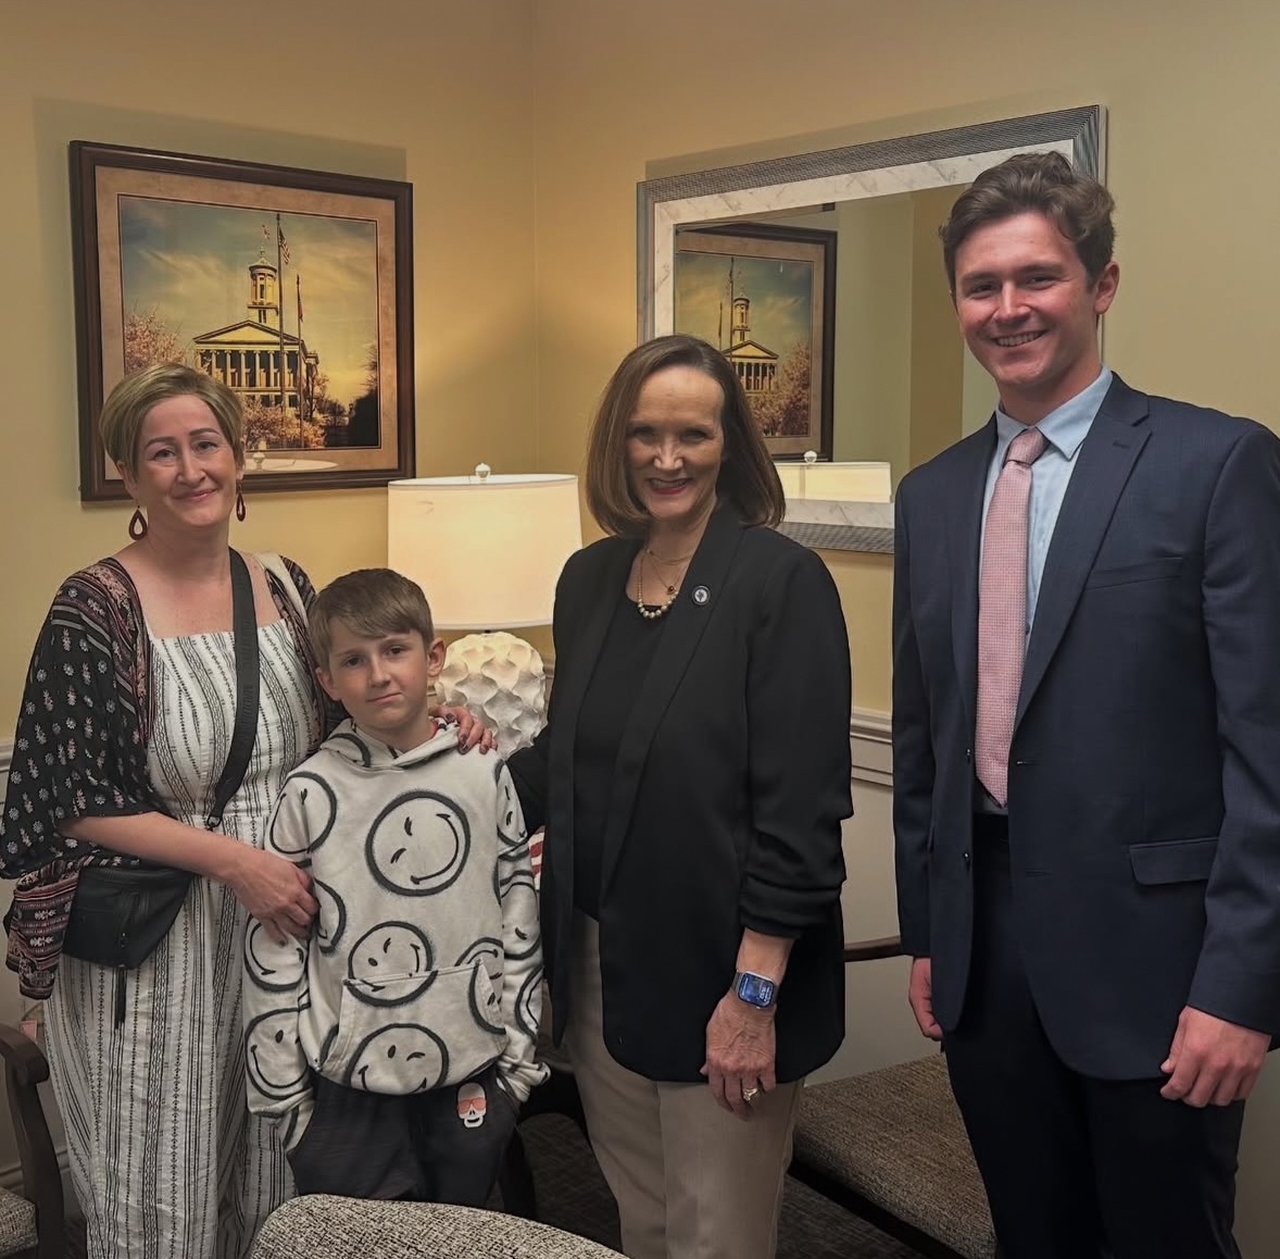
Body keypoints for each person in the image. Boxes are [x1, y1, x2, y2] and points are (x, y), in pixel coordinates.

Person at [0, 364, 489, 1259]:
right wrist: (237, 863)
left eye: (206, 444)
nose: (190, 469)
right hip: (156, 956)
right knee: (163, 1199)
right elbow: (63, 802)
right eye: (162, 452)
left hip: (282, 944)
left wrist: (444, 716)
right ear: (130, 475)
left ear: (236, 458)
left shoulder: (287, 587)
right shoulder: (94, 609)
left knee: (276, 1181)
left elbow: (350, 723)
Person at [892, 151, 1280, 1259]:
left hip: (1159, 963)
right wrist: (930, 935)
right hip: (983, 953)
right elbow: (923, 747)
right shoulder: (931, 495)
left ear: (1099, 285)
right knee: (1031, 1234)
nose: (1006, 309)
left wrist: (1241, 988)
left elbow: (1264, 751)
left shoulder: (1215, 467)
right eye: (979, 285)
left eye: (1036, 278)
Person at [506, 333, 852, 1259]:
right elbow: (567, 759)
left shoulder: (782, 583)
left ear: (731, 444)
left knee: (718, 1235)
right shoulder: (588, 581)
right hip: (601, 966)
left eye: (693, 434)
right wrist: (428, 764)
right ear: (616, 444)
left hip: (726, 975)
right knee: (643, 1223)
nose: (668, 458)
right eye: (645, 434)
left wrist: (751, 996)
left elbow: (800, 816)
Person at [243, 567, 547, 1204]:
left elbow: (518, 908)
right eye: (354, 660)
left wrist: (517, 1067)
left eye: (395, 651)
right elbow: (275, 946)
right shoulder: (309, 793)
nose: (378, 674)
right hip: (345, 1097)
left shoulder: (482, 770)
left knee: (469, 1242)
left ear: (432, 658)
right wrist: (285, 1103)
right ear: (327, 681)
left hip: (473, 1073)